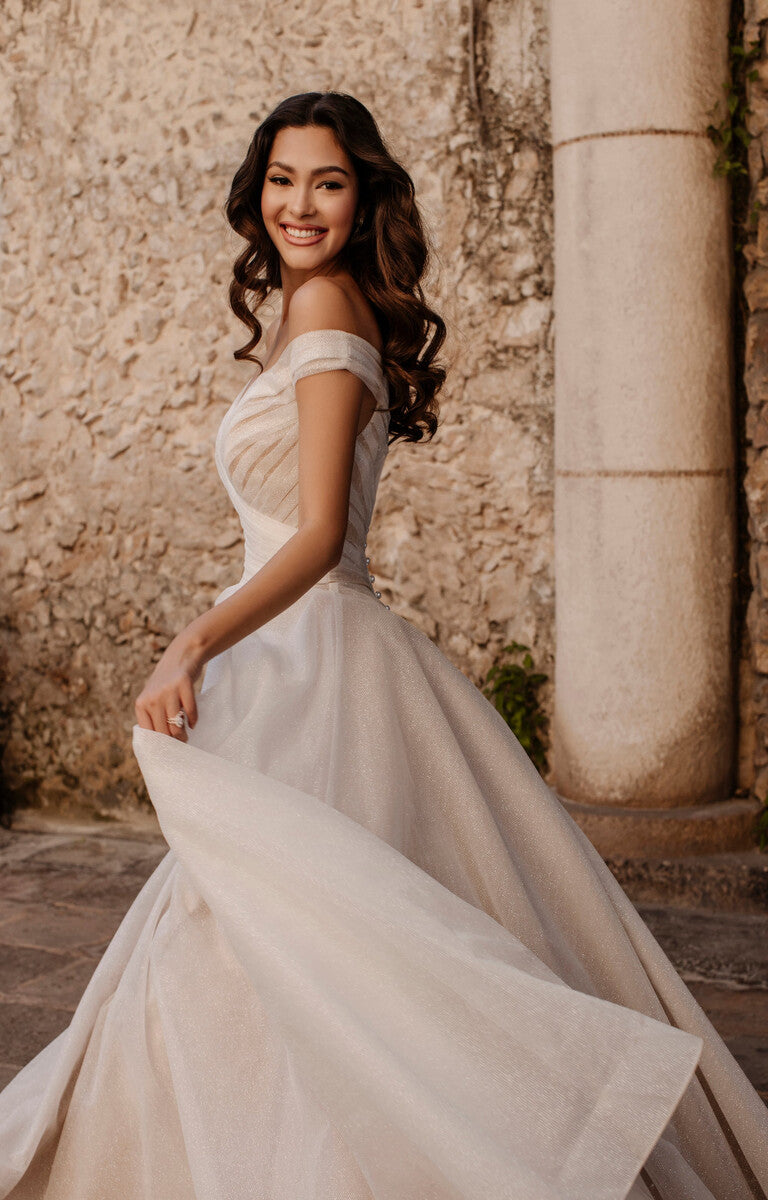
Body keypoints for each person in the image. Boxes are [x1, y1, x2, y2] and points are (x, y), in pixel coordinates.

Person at [0, 90, 766, 1200]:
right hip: (300, 660)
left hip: (319, 662)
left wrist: (189, 644)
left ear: (363, 200)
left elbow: (315, 536)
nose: (299, 203)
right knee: (280, 937)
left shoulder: (327, 313)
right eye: (281, 179)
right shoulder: (314, 306)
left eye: (327, 181)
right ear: (257, 190)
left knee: (313, 944)